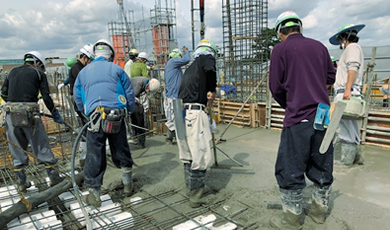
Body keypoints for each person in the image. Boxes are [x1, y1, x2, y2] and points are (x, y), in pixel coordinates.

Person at [268, 11, 336, 229]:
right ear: (300, 28)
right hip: (323, 117)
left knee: (290, 168)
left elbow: (276, 87)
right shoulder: (320, 47)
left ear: (281, 31)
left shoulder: (280, 49)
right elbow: (330, 77)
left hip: (298, 117)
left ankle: (292, 220)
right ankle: (319, 213)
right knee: (322, 164)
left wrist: (290, 104)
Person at [74, 39, 135, 207]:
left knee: (95, 153)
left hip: (95, 117)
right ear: (111, 55)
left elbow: (78, 96)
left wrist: (86, 113)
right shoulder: (117, 69)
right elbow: (129, 92)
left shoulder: (84, 72)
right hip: (116, 115)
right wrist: (129, 109)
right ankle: (128, 184)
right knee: (120, 147)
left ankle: (94, 195)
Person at [1, 51, 65, 192]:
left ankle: (21, 183)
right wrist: (54, 112)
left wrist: (16, 105)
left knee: (17, 148)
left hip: (11, 113)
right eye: (41, 66)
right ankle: (54, 178)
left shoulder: (11, 72)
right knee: (40, 146)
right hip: (30, 114)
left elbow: (3, 93)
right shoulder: (38, 74)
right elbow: (46, 97)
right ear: (38, 63)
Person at [177, 39, 217, 208]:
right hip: (195, 113)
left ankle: (190, 187)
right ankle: (196, 196)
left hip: (183, 113)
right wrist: (212, 90)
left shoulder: (190, 68)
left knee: (188, 155)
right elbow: (210, 69)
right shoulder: (206, 58)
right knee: (200, 154)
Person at [329, 24, 365, 166]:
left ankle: (347, 163)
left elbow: (353, 67)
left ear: (345, 37)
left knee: (346, 130)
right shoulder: (353, 49)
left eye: (340, 40)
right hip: (347, 91)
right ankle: (356, 159)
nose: (340, 43)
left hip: (346, 92)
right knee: (350, 129)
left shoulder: (352, 48)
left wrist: (347, 89)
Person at [68, 44, 95, 167]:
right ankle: (85, 157)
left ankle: (86, 156)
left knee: (88, 127)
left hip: (83, 100)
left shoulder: (78, 67)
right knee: (86, 128)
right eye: (89, 60)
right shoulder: (77, 68)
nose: (89, 63)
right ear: (85, 57)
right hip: (80, 101)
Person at [164, 46, 190, 144]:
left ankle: (171, 137)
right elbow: (187, 59)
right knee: (174, 118)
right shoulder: (173, 62)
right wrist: (186, 51)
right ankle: (174, 137)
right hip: (173, 97)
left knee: (174, 118)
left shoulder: (173, 66)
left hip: (174, 96)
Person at [130, 76, 161, 148]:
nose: (148, 91)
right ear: (147, 86)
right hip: (128, 97)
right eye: (149, 90)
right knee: (138, 113)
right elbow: (133, 97)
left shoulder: (146, 82)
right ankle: (138, 138)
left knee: (139, 112)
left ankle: (138, 138)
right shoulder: (139, 84)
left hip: (132, 98)